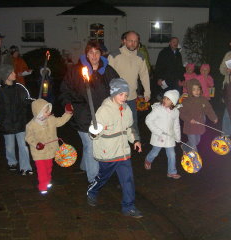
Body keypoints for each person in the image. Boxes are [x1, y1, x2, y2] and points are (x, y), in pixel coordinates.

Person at [59, 40, 119, 183]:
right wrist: (67, 104)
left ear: (101, 54)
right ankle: (93, 180)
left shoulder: (108, 71)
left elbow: (118, 87)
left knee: (92, 145)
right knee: (92, 146)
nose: (94, 55)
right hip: (83, 114)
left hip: (103, 115)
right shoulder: (76, 71)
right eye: (91, 52)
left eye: (97, 52)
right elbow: (65, 90)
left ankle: (85, 166)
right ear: (86, 54)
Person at [87, 78, 143, 218]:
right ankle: (92, 191)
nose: (124, 98)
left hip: (123, 151)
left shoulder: (127, 109)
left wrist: (135, 140)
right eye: (121, 94)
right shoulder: (104, 111)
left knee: (128, 179)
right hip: (108, 152)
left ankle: (128, 206)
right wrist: (95, 132)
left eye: (125, 95)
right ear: (113, 94)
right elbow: (94, 133)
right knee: (103, 177)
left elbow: (129, 127)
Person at [0, 64, 33, 174]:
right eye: (12, 72)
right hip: (6, 123)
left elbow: (27, 99)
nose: (15, 74)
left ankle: (26, 167)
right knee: (9, 145)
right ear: (5, 75)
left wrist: (36, 102)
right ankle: (12, 162)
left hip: (20, 122)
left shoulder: (20, 87)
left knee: (23, 146)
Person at [108, 31, 151, 140]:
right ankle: (117, 149)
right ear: (124, 41)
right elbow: (108, 77)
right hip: (116, 99)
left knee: (133, 124)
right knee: (116, 125)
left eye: (136, 41)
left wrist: (147, 92)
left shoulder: (140, 57)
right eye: (131, 41)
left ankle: (135, 146)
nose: (133, 43)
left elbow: (144, 75)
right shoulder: (114, 55)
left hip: (132, 97)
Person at [25, 98, 73, 194]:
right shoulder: (31, 125)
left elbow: (60, 121)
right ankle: (42, 186)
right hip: (39, 152)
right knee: (42, 170)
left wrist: (68, 113)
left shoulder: (51, 119)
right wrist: (36, 144)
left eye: (48, 110)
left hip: (51, 150)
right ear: (38, 112)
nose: (48, 113)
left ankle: (47, 181)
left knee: (49, 166)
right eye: (46, 111)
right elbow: (28, 137)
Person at [144, 90, 181, 179]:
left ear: (173, 102)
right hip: (159, 136)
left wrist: (177, 137)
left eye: (168, 99)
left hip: (170, 137)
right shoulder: (158, 109)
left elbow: (176, 125)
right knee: (155, 152)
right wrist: (158, 132)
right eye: (164, 98)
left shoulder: (175, 112)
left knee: (172, 154)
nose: (165, 100)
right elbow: (148, 120)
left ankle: (171, 172)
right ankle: (148, 160)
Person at [180, 79, 218, 153]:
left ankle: (185, 146)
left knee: (197, 141)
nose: (197, 91)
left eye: (198, 89)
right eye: (194, 89)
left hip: (199, 126)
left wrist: (214, 117)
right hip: (190, 126)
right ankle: (195, 161)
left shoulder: (203, 100)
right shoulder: (186, 101)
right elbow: (181, 113)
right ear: (190, 90)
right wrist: (189, 119)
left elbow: (208, 109)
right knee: (194, 146)